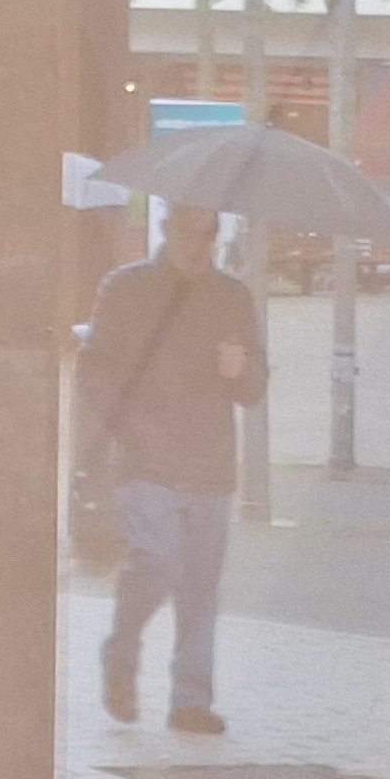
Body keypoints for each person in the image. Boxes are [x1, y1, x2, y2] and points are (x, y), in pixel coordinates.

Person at [77, 191, 258, 737]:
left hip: (209, 463)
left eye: (208, 235)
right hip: (144, 458)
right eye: (188, 233)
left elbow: (255, 388)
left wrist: (240, 369)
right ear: (165, 227)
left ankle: (191, 700)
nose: (197, 247)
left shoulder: (232, 297)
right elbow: (94, 369)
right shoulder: (126, 288)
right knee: (157, 562)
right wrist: (118, 427)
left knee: (200, 588)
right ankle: (123, 648)